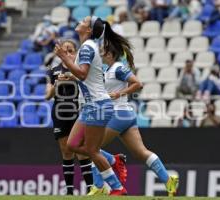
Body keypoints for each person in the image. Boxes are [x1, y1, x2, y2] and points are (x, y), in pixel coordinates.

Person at [87, 41, 179, 196]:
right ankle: (168, 180)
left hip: (118, 114)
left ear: (110, 54)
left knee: (92, 148)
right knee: (141, 152)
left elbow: (138, 84)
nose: (101, 53)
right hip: (126, 115)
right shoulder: (108, 69)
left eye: (103, 51)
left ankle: (99, 184)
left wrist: (119, 93)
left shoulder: (118, 68)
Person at [54, 16, 126, 195]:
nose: (81, 20)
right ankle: (112, 160)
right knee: (72, 145)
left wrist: (65, 58)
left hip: (97, 105)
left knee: (92, 151)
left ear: (88, 29)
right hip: (91, 106)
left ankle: (117, 187)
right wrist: (71, 75)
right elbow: (88, 75)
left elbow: (83, 74)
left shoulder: (87, 47)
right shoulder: (88, 47)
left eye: (85, 20)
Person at [45, 40, 93, 195]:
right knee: (66, 151)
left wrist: (74, 78)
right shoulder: (53, 71)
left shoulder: (81, 70)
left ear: (76, 52)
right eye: (64, 50)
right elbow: (47, 96)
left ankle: (91, 189)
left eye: (71, 50)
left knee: (82, 151)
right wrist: (55, 86)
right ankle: (70, 192)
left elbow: (91, 86)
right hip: (60, 114)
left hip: (78, 113)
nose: (67, 53)